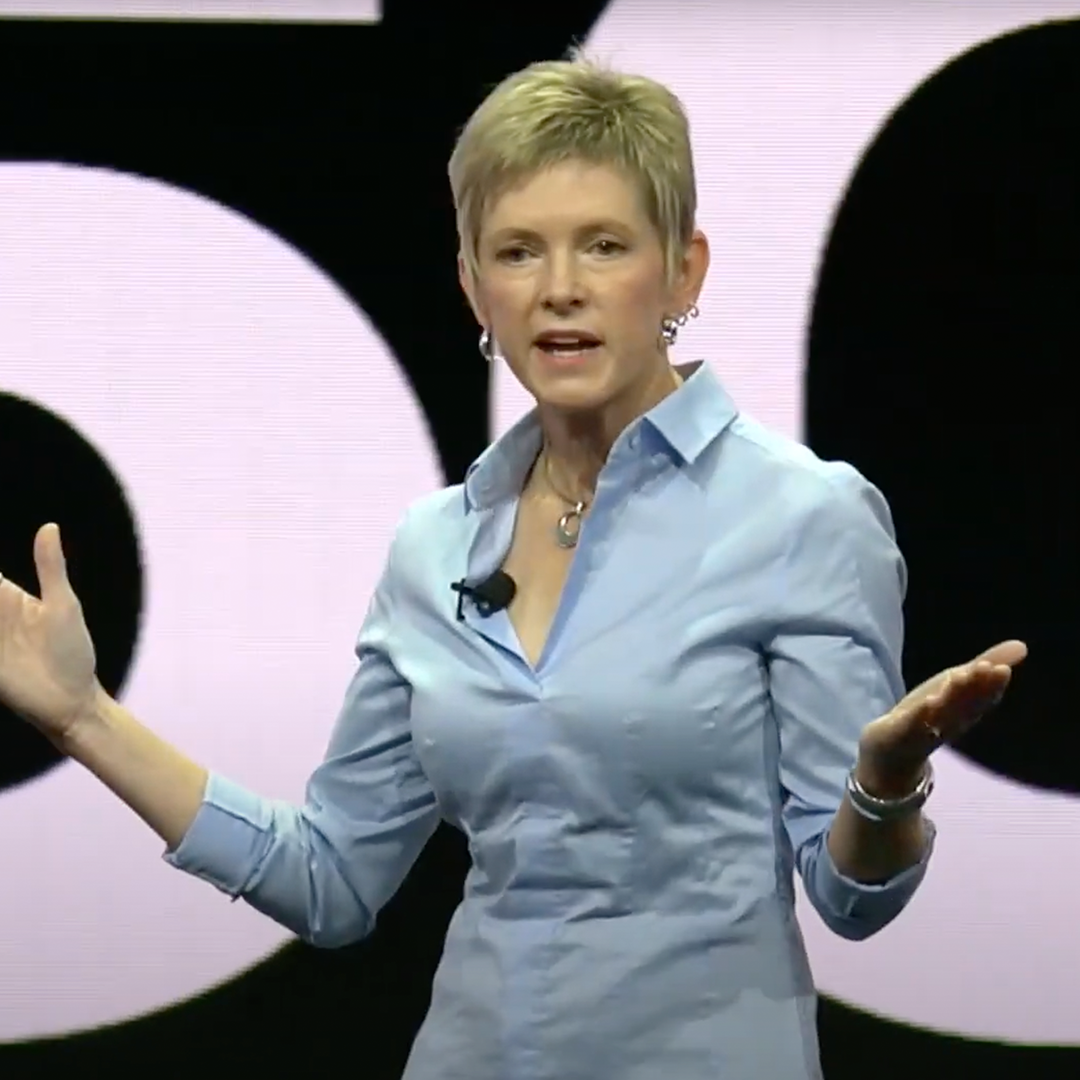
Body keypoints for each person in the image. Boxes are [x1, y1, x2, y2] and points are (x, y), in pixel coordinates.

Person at [0, 52, 1026, 1080]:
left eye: (606, 245)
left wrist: (885, 785)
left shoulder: (802, 515)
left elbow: (854, 899)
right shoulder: (436, 546)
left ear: (683, 271)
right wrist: (83, 717)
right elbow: (330, 881)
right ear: (472, 286)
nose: (562, 290)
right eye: (520, 251)